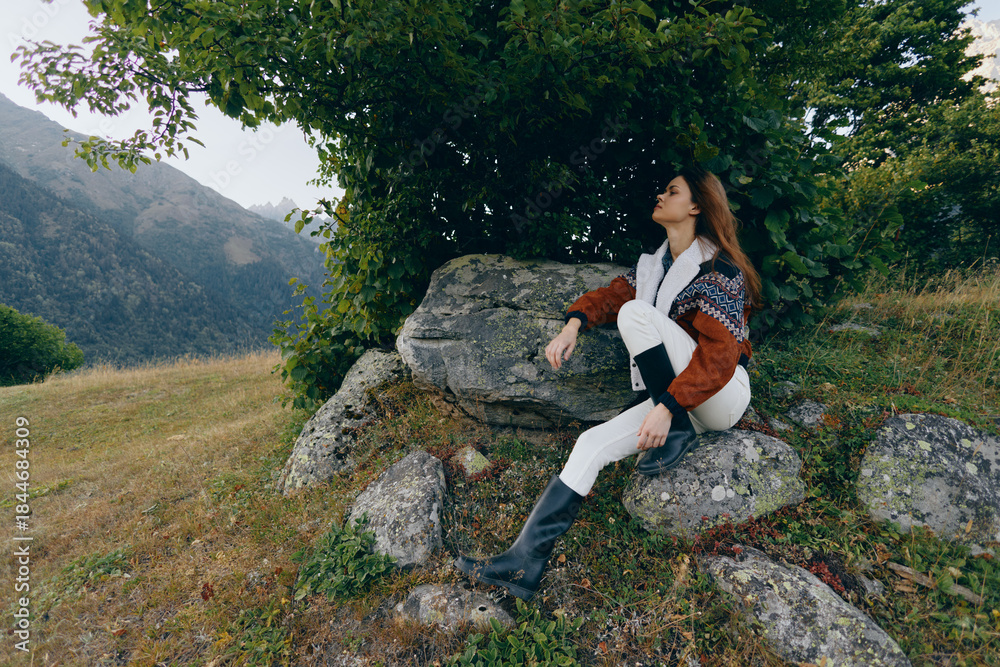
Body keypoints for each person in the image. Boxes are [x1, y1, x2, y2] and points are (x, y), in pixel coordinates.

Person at [455, 165, 762, 600]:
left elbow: (720, 357)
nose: (660, 195)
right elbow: (608, 297)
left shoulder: (719, 269)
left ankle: (673, 428)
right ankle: (524, 562)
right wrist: (573, 325)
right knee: (589, 445)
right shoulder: (654, 268)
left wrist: (666, 409)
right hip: (679, 402)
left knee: (636, 314)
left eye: (671, 191)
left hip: (721, 396)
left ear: (696, 206)